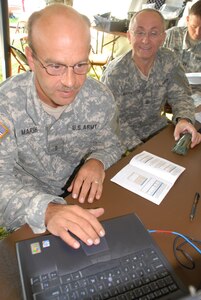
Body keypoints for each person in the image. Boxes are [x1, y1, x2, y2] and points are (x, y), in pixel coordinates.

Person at [0, 4, 123, 249]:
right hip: (29, 211)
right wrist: (45, 210)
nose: (70, 82)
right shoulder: (6, 104)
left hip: (87, 199)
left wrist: (97, 161)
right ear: (31, 58)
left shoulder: (100, 98)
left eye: (80, 65)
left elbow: (112, 143)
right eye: (55, 66)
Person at [101, 8, 201, 151]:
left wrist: (183, 119)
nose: (145, 40)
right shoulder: (114, 74)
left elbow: (181, 96)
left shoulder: (169, 60)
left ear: (163, 37)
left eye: (153, 33)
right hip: (122, 141)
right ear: (129, 36)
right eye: (140, 32)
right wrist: (140, 149)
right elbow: (112, 121)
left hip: (157, 130)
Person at [164, 0, 201, 100]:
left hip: (194, 93)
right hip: (164, 88)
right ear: (188, 19)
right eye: (194, 26)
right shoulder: (171, 35)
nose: (197, 32)